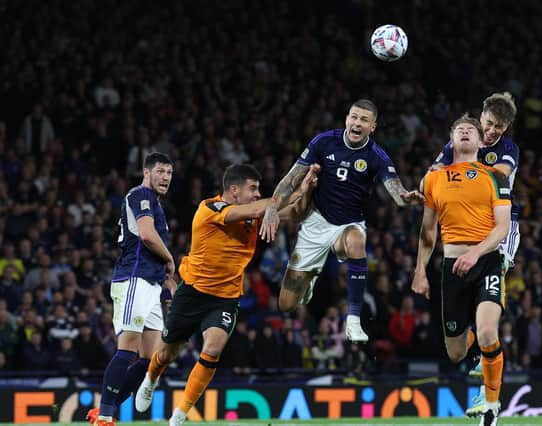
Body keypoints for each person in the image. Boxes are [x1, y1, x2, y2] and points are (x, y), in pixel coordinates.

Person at [134, 163, 319, 426]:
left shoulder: (255, 213)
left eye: (258, 190)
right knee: (165, 354)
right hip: (193, 292)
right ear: (234, 190)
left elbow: (297, 211)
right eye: (252, 189)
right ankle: (151, 380)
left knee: (213, 347)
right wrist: (275, 202)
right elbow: (261, 207)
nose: (257, 194)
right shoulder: (210, 209)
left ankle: (180, 414)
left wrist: (308, 185)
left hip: (226, 297)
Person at [260, 99, 423, 342]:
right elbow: (292, 177)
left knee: (357, 242)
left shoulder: (377, 156)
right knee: (286, 304)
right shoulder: (324, 141)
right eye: (354, 117)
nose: (357, 123)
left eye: (364, 120)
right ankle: (310, 280)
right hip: (315, 222)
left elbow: (397, 193)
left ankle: (354, 320)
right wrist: (273, 207)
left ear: (373, 127)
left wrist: (407, 199)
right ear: (347, 119)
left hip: (348, 225)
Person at [412, 114, 511, 426]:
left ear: (481, 142)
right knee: (455, 352)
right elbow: (428, 233)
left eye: (472, 130)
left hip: (487, 261)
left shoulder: (496, 176)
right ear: (451, 140)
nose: (466, 131)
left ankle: (492, 406)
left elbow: (503, 227)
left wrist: (477, 252)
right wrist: (419, 271)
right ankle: (482, 360)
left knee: (486, 331)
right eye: (459, 129)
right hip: (452, 267)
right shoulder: (433, 180)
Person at [431, 93, 519, 414]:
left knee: (495, 277)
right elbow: (435, 171)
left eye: (499, 126)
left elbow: (500, 175)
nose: (492, 130)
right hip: (463, 231)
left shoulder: (506, 151)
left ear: (506, 128)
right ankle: (480, 349)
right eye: (489, 123)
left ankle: (487, 387)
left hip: (500, 224)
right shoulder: (460, 141)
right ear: (480, 117)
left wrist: (469, 160)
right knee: (465, 328)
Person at [88, 152, 175, 426]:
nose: (165, 177)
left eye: (169, 173)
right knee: (127, 350)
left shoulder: (156, 205)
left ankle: (105, 411)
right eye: (160, 171)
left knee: (151, 360)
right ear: (146, 172)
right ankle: (104, 416)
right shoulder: (140, 195)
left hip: (150, 283)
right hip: (133, 280)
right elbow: (147, 236)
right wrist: (170, 258)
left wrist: (165, 280)